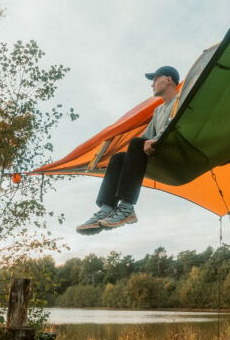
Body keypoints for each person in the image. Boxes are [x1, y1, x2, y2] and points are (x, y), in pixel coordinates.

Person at [76, 65, 180, 234]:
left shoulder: (181, 99)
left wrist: (155, 139)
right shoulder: (158, 110)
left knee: (137, 143)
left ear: (168, 80)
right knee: (118, 158)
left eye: (154, 80)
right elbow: (146, 138)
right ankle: (106, 208)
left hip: (176, 153)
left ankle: (127, 207)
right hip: (156, 154)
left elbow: (177, 122)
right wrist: (138, 150)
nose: (151, 85)